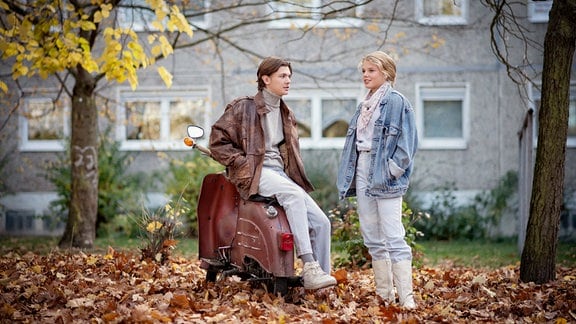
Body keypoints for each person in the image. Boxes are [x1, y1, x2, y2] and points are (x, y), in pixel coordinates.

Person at [209, 56, 337, 290]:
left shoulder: (286, 113)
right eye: (282, 76)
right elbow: (217, 142)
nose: (288, 80)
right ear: (265, 79)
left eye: (289, 76)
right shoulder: (243, 107)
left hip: (278, 174)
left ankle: (321, 283)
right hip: (256, 172)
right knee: (294, 196)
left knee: (321, 223)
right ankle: (309, 266)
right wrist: (241, 164)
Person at [337, 51, 418, 308]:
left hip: (383, 171)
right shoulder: (364, 104)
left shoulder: (396, 101)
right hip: (361, 168)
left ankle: (407, 299)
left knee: (394, 235)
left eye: (371, 70)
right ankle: (385, 296)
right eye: (363, 70)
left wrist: (391, 171)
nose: (365, 75)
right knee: (372, 235)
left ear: (386, 72)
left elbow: (408, 143)